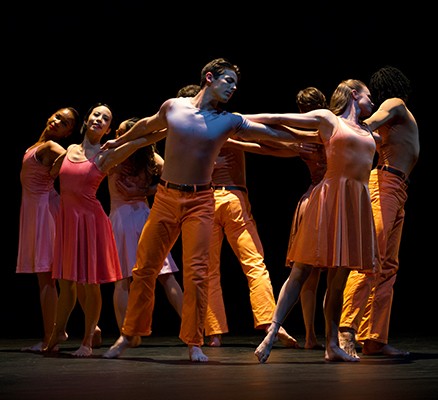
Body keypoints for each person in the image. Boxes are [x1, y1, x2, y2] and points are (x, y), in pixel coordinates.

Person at [101, 57, 315, 362]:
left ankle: (194, 342)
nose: (233, 88)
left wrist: (306, 140)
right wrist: (118, 142)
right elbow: (148, 126)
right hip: (165, 197)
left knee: (198, 272)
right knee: (144, 268)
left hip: (202, 201)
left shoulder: (228, 120)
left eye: (236, 84)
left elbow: (266, 133)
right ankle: (129, 333)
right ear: (210, 78)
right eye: (228, 81)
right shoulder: (174, 107)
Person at [245, 78, 380, 363]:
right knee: (302, 269)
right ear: (355, 94)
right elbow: (279, 120)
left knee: (339, 279)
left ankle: (332, 345)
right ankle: (272, 332)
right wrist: (238, 120)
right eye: (369, 96)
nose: (373, 102)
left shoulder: (369, 131)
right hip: (329, 199)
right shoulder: (328, 120)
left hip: (355, 204)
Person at [44, 103, 149, 357]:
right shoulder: (68, 149)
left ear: (108, 129)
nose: (99, 119)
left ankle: (88, 339)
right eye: (96, 114)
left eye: (105, 118)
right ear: (87, 119)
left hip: (91, 222)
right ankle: (57, 334)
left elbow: (138, 143)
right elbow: (53, 172)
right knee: (66, 282)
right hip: (69, 222)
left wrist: (167, 128)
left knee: (91, 284)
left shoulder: (106, 155)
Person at [339, 66, 419, 358]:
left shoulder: (398, 113)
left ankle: (374, 338)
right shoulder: (395, 104)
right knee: (372, 258)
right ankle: (346, 329)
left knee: (387, 266)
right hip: (384, 184)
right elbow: (369, 124)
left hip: (398, 188)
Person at [108, 117, 183, 337]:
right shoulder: (151, 157)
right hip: (145, 217)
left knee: (122, 281)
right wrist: (147, 190)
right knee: (166, 276)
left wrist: (142, 192)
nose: (116, 136)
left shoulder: (116, 155)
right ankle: (192, 326)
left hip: (122, 219)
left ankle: (126, 334)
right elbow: (173, 176)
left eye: (120, 132)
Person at [16, 107, 80, 353]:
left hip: (45, 212)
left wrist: (59, 168)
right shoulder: (38, 145)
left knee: (48, 277)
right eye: (56, 116)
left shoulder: (53, 147)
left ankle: (50, 337)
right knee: (59, 276)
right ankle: (86, 328)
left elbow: (74, 158)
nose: (56, 122)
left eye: (63, 123)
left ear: (68, 132)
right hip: (36, 211)